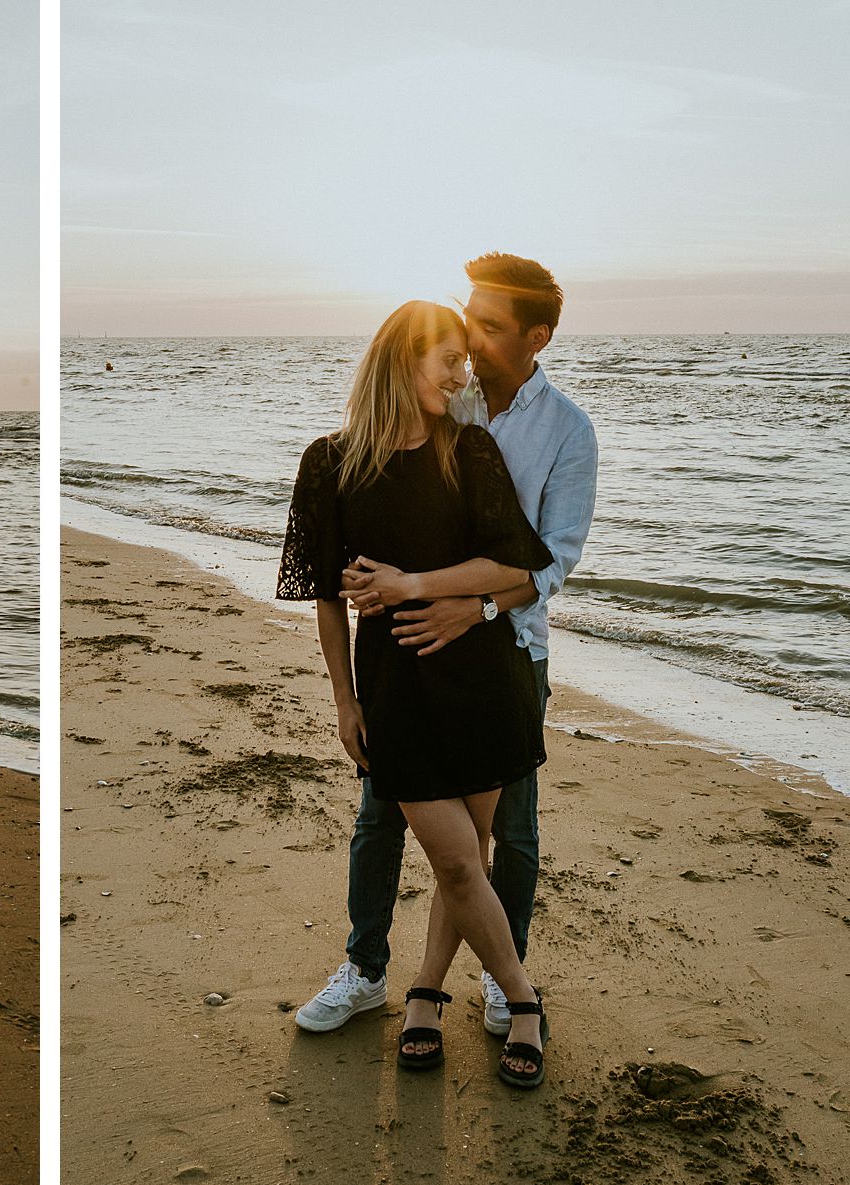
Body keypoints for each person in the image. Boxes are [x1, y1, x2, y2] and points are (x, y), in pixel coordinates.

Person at [301, 254, 597, 1043]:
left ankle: (492, 987)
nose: (469, 340)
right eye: (465, 324)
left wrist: (471, 606)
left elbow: (547, 558)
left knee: (506, 838)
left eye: (489, 329)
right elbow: (345, 568)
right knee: (382, 823)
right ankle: (368, 970)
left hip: (507, 655)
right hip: (399, 671)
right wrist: (346, 694)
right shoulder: (444, 407)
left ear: (536, 336)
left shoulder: (564, 430)